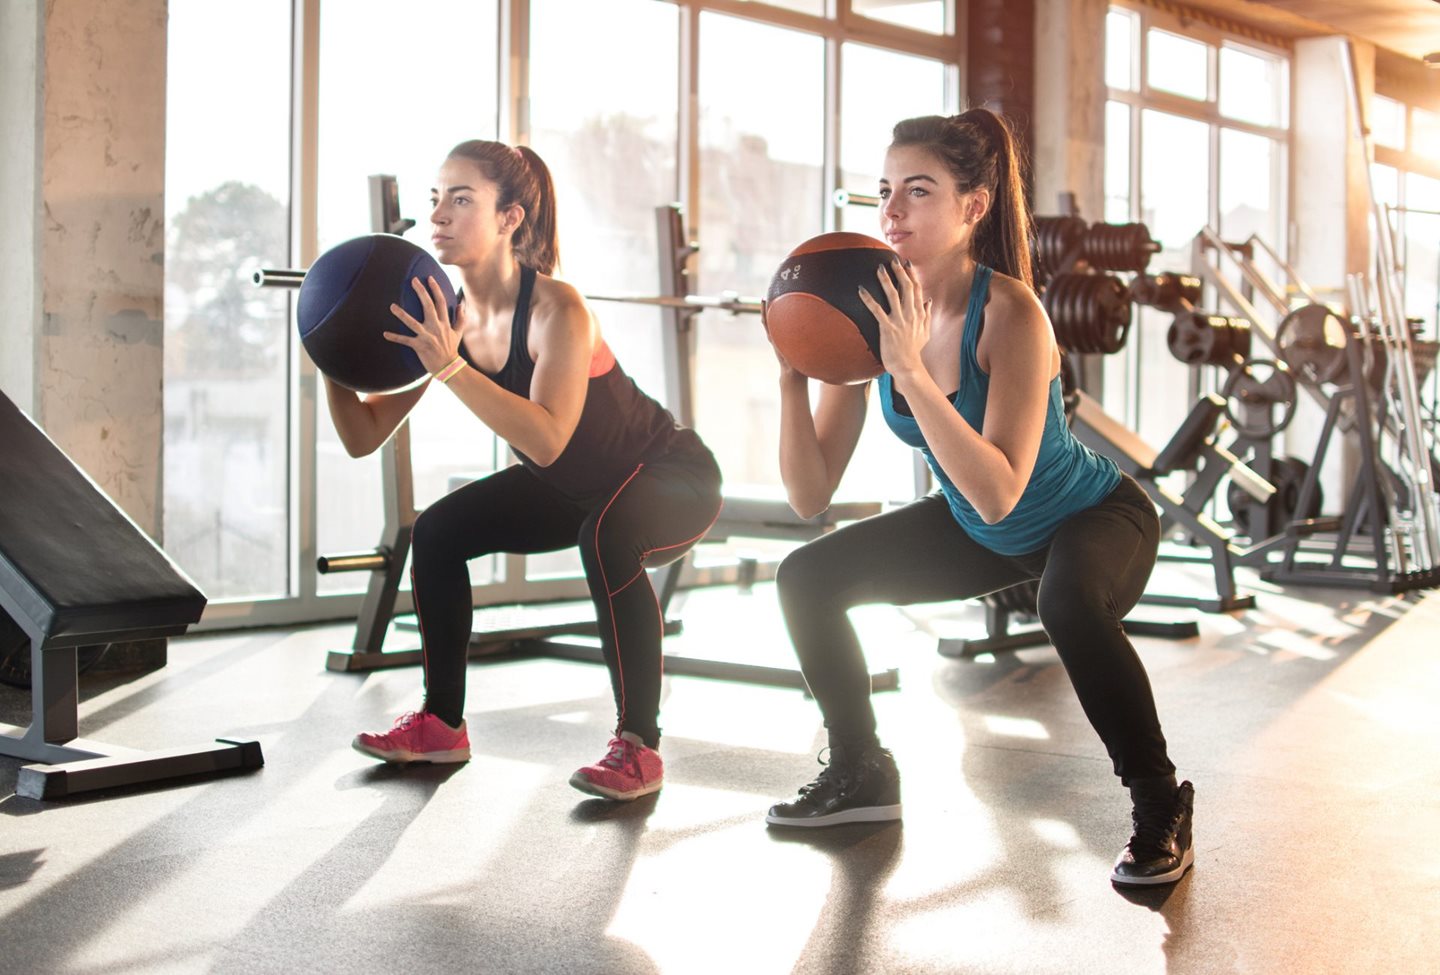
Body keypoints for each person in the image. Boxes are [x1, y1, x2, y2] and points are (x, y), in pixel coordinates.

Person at [762, 109, 1193, 886]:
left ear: (974, 205)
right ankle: (861, 770)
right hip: (979, 525)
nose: (891, 211)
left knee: (1065, 601)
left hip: (1094, 519)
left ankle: (1161, 803)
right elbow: (809, 491)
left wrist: (913, 372)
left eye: (918, 191)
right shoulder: (870, 314)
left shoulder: (1011, 314)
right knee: (807, 576)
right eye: (885, 190)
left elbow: (999, 490)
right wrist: (795, 369)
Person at [332, 140, 723, 801]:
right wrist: (331, 357)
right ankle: (441, 723)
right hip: (579, 488)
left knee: (606, 534)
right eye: (436, 199)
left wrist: (448, 366)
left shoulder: (558, 310)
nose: (439, 215)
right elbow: (363, 435)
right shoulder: (450, 316)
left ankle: (638, 746)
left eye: (461, 199)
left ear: (510, 217)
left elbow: (545, 440)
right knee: (438, 531)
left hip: (670, 475)